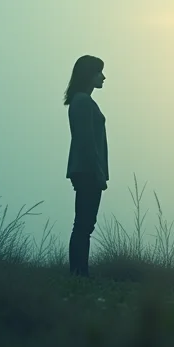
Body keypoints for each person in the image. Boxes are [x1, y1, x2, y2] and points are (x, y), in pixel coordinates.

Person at [63, 55, 109, 278]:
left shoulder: (81, 101)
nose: (103, 77)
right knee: (83, 225)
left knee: (84, 224)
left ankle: (80, 272)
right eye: (99, 72)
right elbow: (86, 141)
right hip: (87, 170)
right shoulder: (82, 102)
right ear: (88, 75)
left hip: (85, 169)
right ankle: (79, 273)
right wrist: (98, 172)